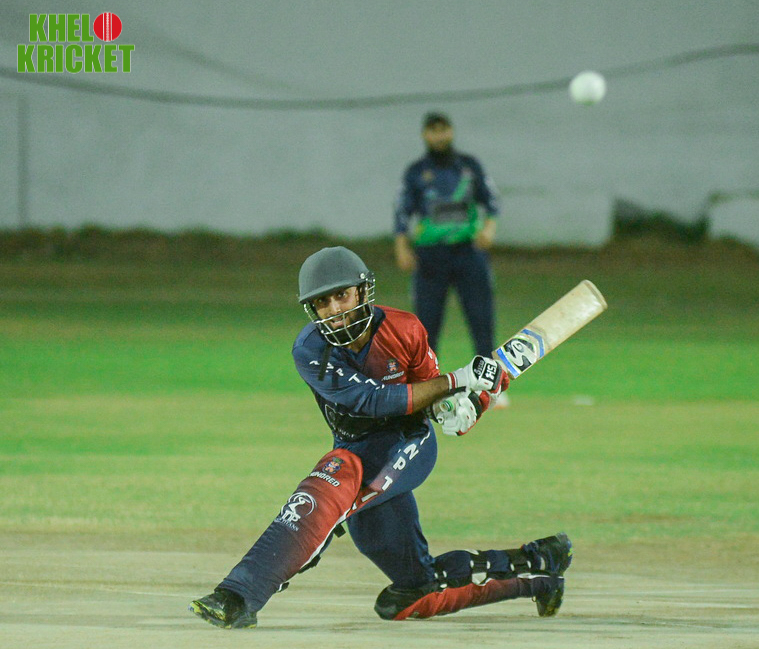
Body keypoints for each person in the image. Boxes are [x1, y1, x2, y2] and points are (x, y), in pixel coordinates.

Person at [189, 246, 572, 628]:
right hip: (356, 448)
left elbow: (430, 391)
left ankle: (238, 597)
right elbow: (372, 400)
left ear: (362, 291)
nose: (335, 309)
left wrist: (462, 407)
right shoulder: (311, 349)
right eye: (322, 302)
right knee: (414, 592)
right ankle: (540, 568)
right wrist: (456, 382)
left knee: (331, 481)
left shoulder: (405, 329)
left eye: (342, 295)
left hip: (407, 441)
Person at [394, 112, 507, 406]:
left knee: (481, 319)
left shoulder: (468, 167)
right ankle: (428, 390)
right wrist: (402, 246)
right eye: (433, 130)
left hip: (468, 253)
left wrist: (489, 228)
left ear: (451, 132)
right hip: (431, 257)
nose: (439, 136)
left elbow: (492, 199)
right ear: (425, 135)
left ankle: (491, 388)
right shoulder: (417, 172)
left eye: (443, 129)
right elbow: (402, 210)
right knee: (427, 326)